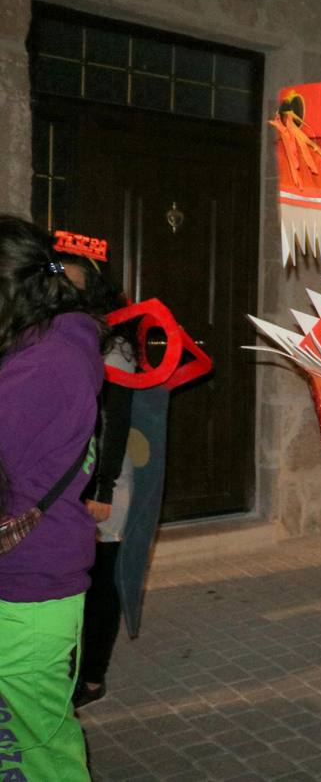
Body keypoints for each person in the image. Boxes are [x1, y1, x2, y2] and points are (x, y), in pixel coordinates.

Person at [0, 215, 106, 780]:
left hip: (28, 583)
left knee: (31, 751)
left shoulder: (42, 362)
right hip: (30, 575)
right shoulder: (43, 346)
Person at [61, 253, 136, 709]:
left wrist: (102, 488)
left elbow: (114, 418)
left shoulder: (112, 343)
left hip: (104, 477)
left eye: (73, 282)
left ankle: (91, 677)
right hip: (73, 474)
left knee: (101, 575)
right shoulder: (65, 333)